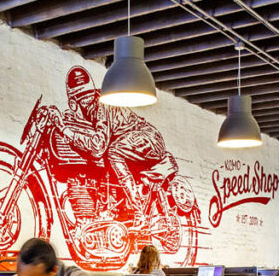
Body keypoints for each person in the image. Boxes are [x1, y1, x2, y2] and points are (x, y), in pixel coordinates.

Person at [46, 65, 179, 217]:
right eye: (84, 99)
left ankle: (138, 204)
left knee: (113, 152)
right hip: (135, 142)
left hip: (147, 136)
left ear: (73, 102)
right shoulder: (89, 110)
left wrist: (64, 129)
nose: (87, 102)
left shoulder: (101, 106)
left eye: (88, 98)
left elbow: (98, 146)